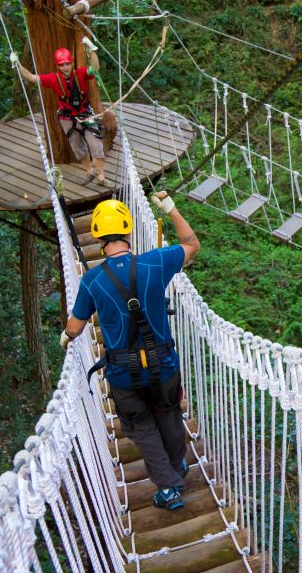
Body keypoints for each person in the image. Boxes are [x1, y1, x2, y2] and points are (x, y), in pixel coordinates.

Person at [60, 191, 200, 510]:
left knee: (140, 426)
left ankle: (168, 487)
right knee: (168, 413)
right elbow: (192, 244)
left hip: (123, 375)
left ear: (97, 236)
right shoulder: (156, 262)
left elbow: (75, 327)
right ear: (128, 230)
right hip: (163, 365)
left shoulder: (92, 281)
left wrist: (66, 339)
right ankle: (176, 468)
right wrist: (171, 209)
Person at [11, 37, 108, 186]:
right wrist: (18, 64)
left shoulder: (81, 73)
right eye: (62, 65)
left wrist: (92, 49)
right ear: (58, 66)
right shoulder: (53, 79)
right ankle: (89, 172)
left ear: (72, 63)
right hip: (68, 118)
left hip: (85, 114)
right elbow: (31, 77)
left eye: (68, 64)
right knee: (77, 146)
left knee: (95, 144)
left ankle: (101, 176)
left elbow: (95, 67)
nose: (66, 67)